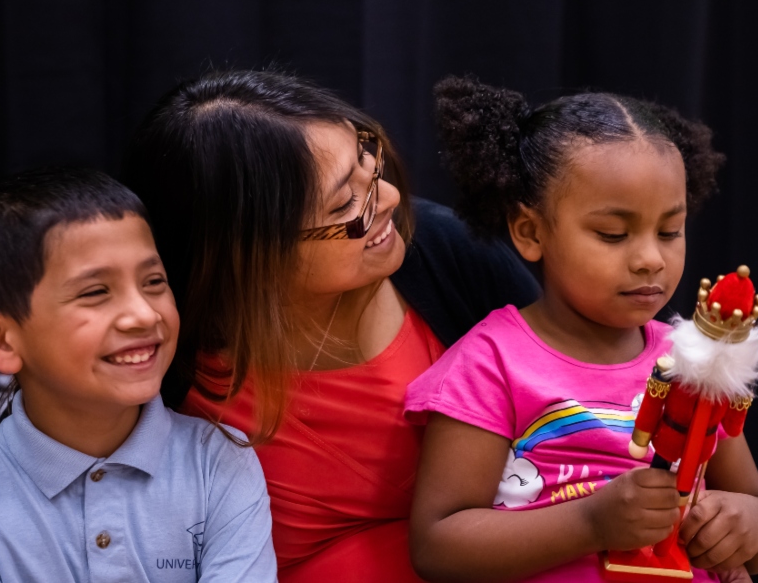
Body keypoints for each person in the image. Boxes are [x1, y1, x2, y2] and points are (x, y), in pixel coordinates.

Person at [121, 69, 540, 582]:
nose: (386, 198)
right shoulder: (165, 368)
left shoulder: (443, 250)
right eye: (346, 204)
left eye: (371, 162)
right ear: (250, 253)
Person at [404, 76, 758, 582]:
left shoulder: (696, 361)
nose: (651, 258)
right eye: (613, 234)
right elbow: (437, 547)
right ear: (531, 232)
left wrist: (753, 524)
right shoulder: (491, 364)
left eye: (670, 230)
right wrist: (590, 522)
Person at [0, 167, 277, 582]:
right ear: (0, 341)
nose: (143, 313)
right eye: (95, 292)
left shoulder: (219, 460)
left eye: (154, 281)